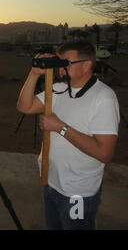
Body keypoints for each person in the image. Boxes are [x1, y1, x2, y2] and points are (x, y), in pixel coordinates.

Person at [17, 40, 120, 230]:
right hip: (50, 182)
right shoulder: (59, 89)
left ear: (87, 64)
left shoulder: (103, 97)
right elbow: (25, 106)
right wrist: (33, 75)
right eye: (59, 63)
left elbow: (105, 153)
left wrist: (61, 127)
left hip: (78, 193)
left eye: (66, 63)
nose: (61, 69)